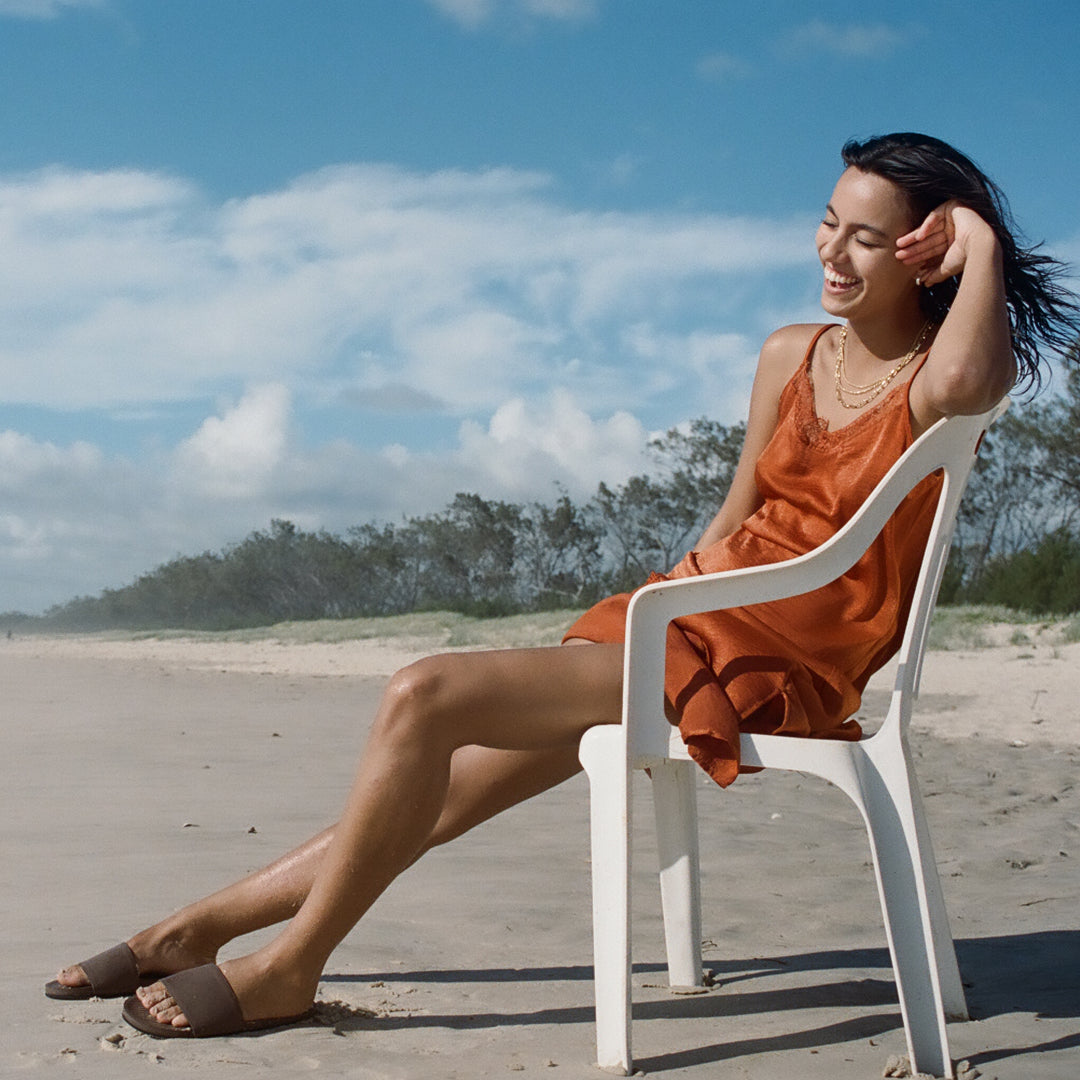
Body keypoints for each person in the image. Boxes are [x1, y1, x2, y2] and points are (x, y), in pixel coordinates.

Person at [46, 133, 1079, 1038]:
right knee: (446, 786)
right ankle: (195, 930)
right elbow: (729, 521)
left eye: (865, 237)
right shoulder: (787, 354)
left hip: (790, 655)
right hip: (689, 618)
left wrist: (983, 239)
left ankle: (289, 967)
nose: (831, 252)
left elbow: (976, 381)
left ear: (924, 252)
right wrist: (658, 602)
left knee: (423, 692)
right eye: (826, 224)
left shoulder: (939, 380)